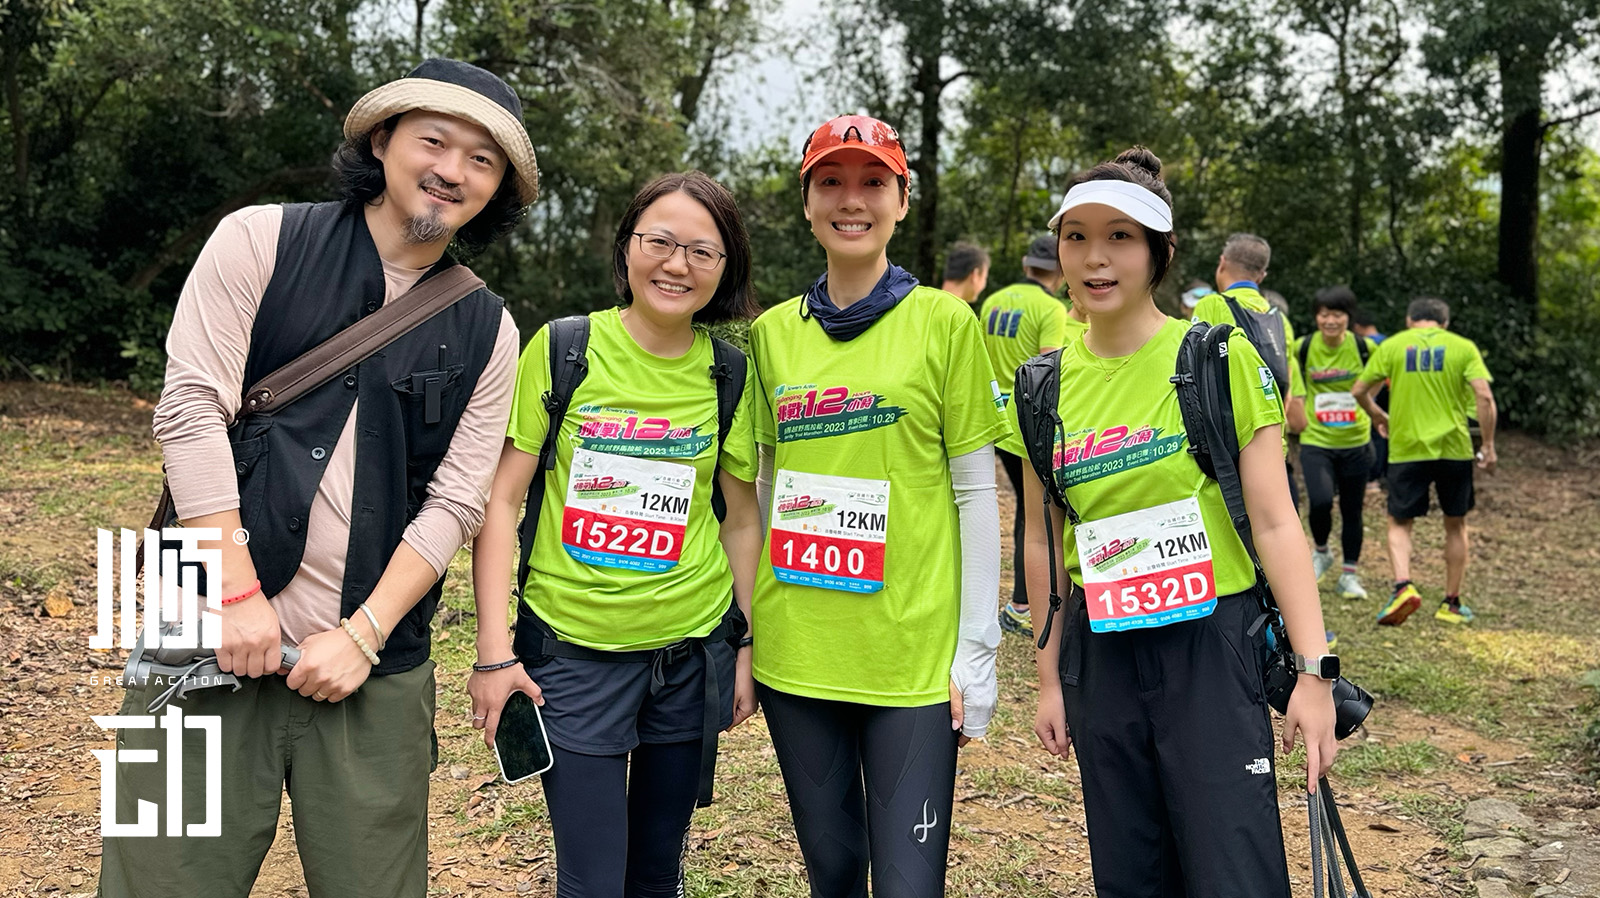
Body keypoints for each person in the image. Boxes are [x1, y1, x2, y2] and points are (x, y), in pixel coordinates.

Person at [107, 58, 537, 898]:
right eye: (435, 140)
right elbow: (191, 411)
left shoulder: (490, 329)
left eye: (483, 160)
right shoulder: (257, 239)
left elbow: (457, 499)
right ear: (383, 139)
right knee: (157, 882)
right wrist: (231, 595)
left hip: (372, 671)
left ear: (498, 190)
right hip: (196, 640)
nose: (453, 170)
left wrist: (365, 634)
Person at [1018, 147, 1338, 897]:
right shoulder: (1042, 384)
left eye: (1121, 237)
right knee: (1131, 871)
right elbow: (1043, 537)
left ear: (1161, 251)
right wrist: (1048, 679)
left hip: (1210, 645)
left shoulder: (1212, 358)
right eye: (1076, 237)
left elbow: (1275, 522)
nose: (1095, 258)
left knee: (1233, 868)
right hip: (1103, 652)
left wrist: (1315, 672)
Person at [467, 171, 761, 897]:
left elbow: (744, 518)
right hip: (572, 656)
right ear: (627, 246)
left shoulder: (729, 373)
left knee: (658, 873)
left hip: (690, 656)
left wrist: (744, 647)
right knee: (593, 881)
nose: (676, 264)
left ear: (725, 268)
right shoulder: (567, 347)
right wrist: (494, 652)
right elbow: (501, 502)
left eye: (702, 250)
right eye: (659, 241)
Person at [748, 114, 1008, 897]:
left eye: (872, 182)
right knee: (831, 872)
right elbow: (764, 487)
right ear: (806, 202)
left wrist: (978, 648)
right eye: (831, 181)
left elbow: (974, 491)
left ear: (901, 200)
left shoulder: (943, 321)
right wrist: (748, 632)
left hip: (912, 661)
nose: (850, 200)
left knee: (907, 883)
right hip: (799, 652)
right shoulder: (770, 335)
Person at [1353, 297, 1496, 625]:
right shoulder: (1462, 347)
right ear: (1444, 323)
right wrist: (1487, 445)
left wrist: (1377, 415)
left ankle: (1403, 585)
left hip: (1407, 448)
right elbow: (1484, 396)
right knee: (1456, 523)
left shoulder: (1393, 345)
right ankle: (1451, 603)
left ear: (1409, 320)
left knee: (1399, 522)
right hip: (1454, 448)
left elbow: (1360, 390)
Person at [978, 234, 1074, 637]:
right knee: (1034, 513)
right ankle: (1022, 602)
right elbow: (1049, 365)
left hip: (993, 415)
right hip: (1029, 421)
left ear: (1025, 263)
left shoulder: (992, 301)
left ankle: (1019, 599)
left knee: (1022, 508)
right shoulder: (1051, 307)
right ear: (1060, 269)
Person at [1189, 234, 1301, 510]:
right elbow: (1284, 381)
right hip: (1272, 442)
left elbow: (1190, 371)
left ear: (1222, 263)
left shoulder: (1211, 305)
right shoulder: (1278, 318)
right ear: (1261, 275)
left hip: (1226, 448)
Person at [1287, 287, 1379, 600]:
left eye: (1337, 314)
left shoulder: (1364, 348)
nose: (1330, 320)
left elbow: (1379, 376)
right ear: (1316, 317)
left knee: (1353, 511)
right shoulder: (1303, 347)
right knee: (1321, 501)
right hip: (1317, 440)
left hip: (1356, 441)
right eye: (1324, 314)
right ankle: (1322, 551)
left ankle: (1349, 575)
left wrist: (1370, 403)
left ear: (1348, 318)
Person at [1350, 307, 1389, 489]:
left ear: (1357, 326)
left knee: (1374, 431)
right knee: (1385, 429)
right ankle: (1383, 474)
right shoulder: (1387, 341)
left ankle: (1371, 476)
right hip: (1390, 390)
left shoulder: (1365, 344)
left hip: (1370, 389)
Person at [939, 240, 991, 305]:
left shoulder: (927, 303)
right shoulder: (959, 313)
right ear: (975, 275)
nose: (984, 285)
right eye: (985, 278)